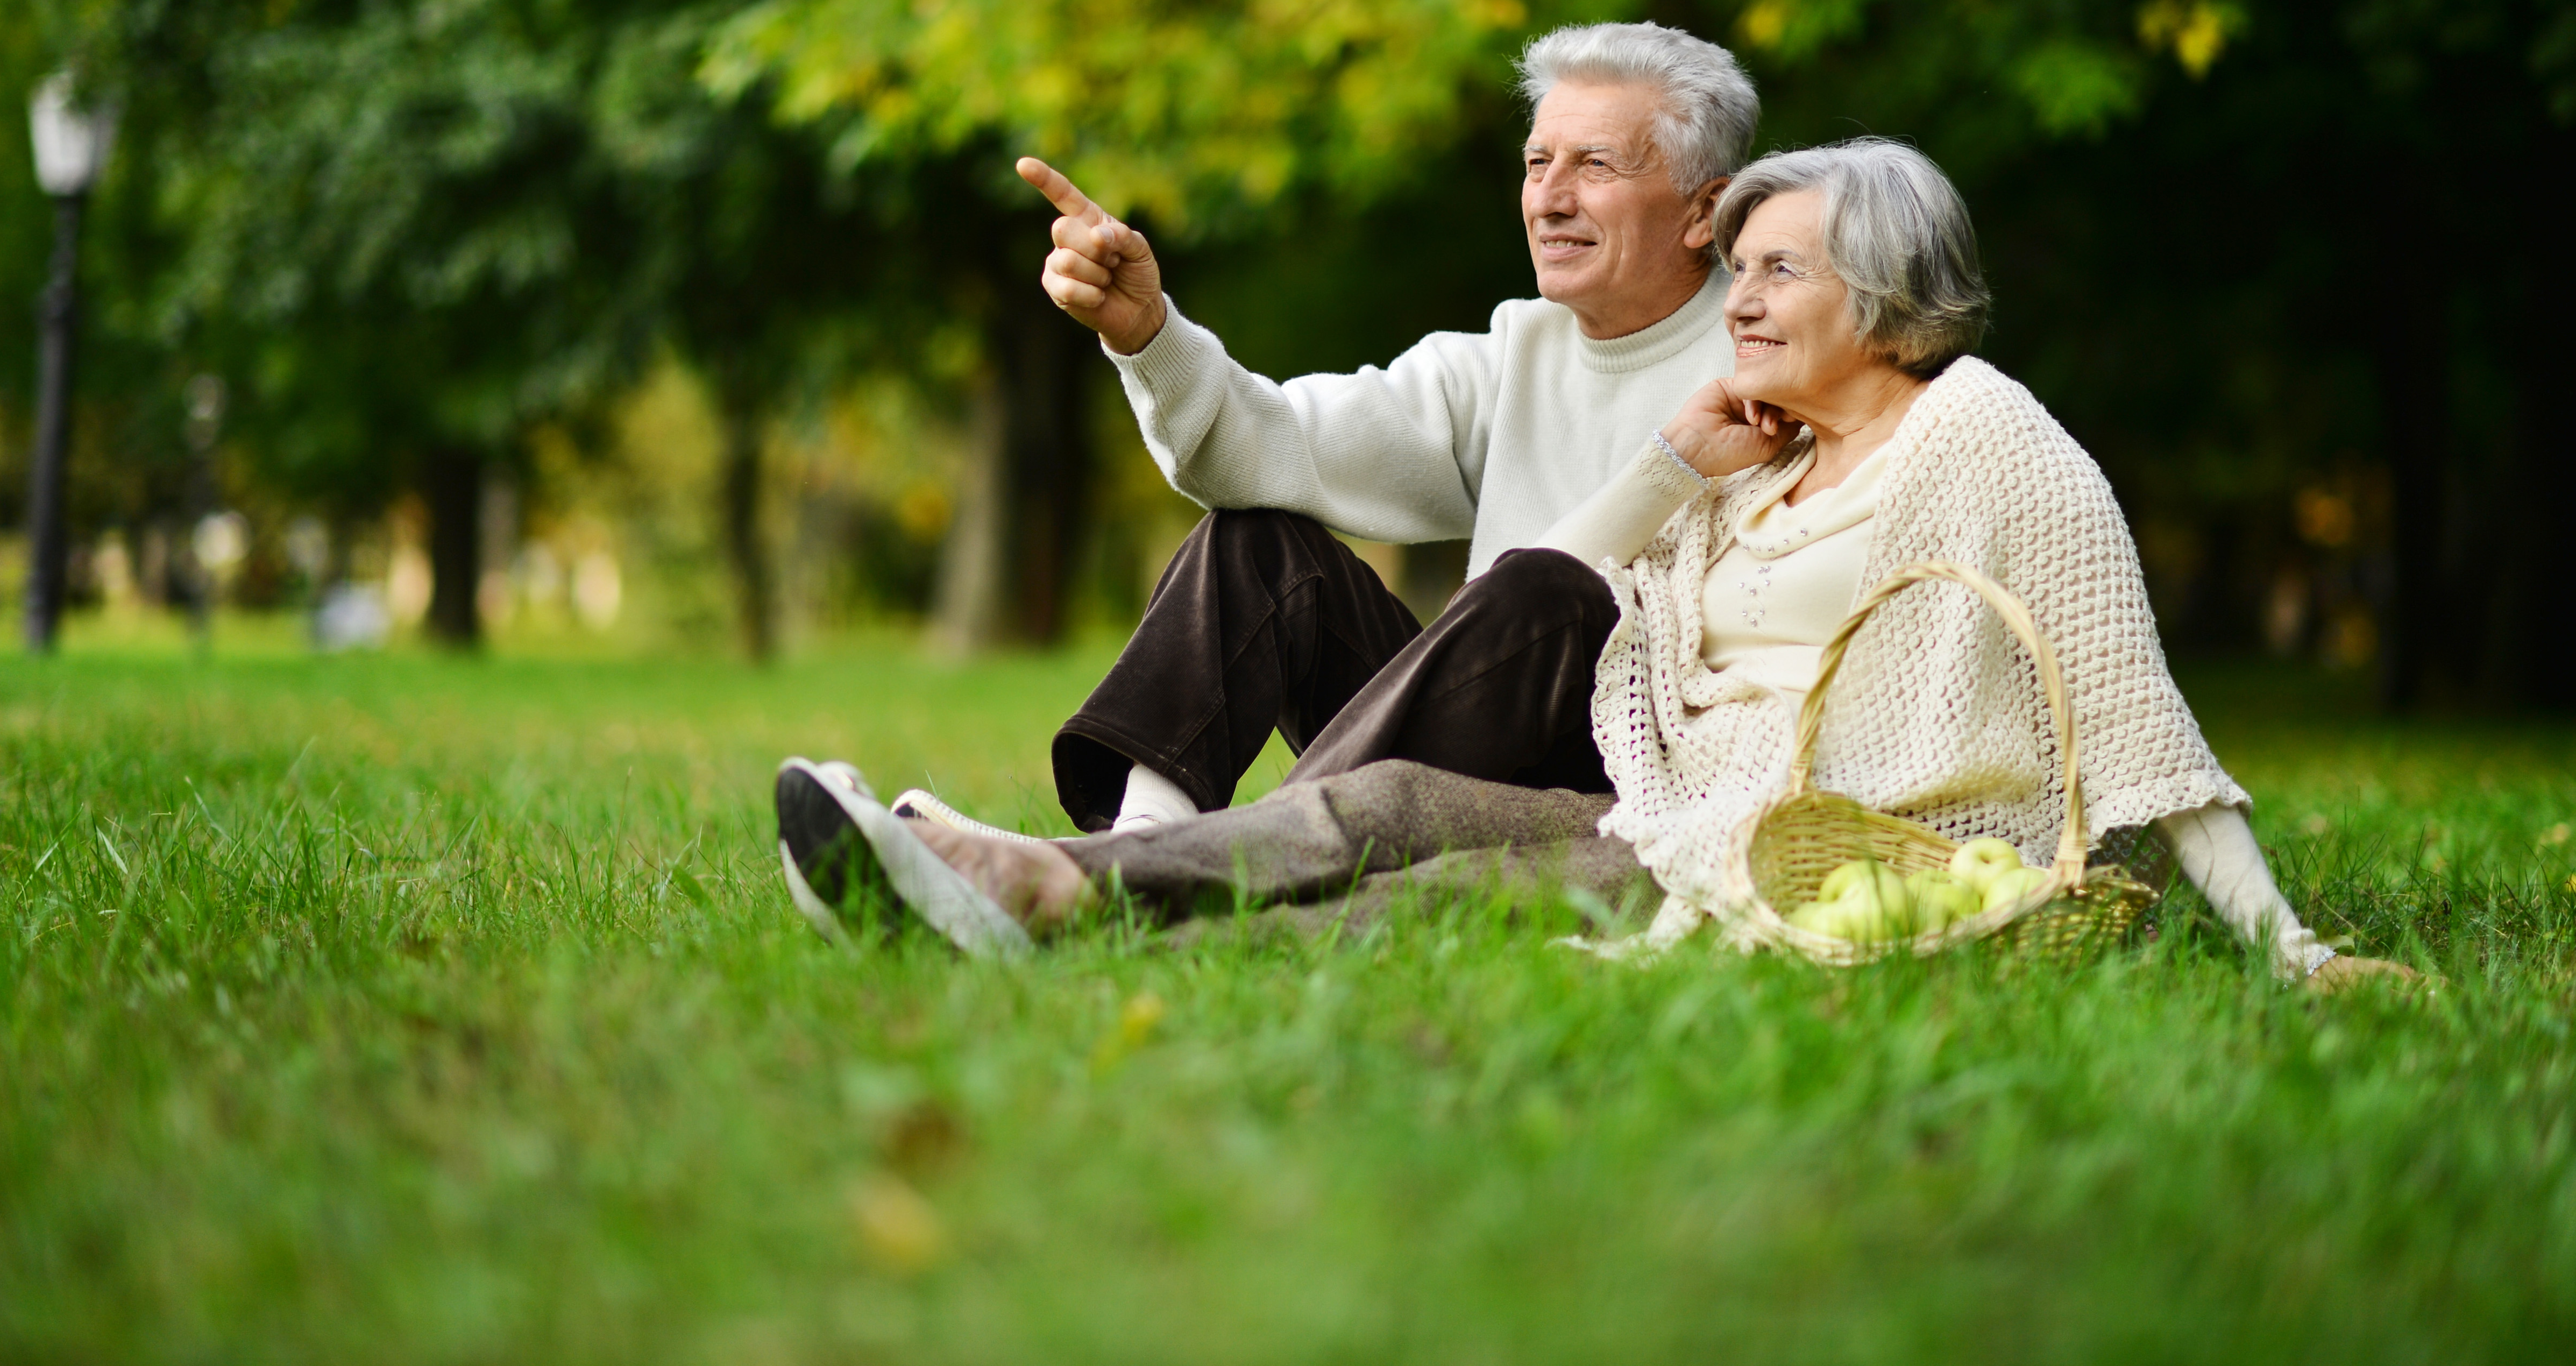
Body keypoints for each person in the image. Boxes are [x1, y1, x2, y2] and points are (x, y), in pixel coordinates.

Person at [775, 138, 2415, 990]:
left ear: (1886, 296)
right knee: (1368, 780)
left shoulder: (1979, 434)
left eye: (1779, 271)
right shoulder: (1704, 431)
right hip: (1646, 786)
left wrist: (2285, 944)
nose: (1747, 300)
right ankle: (1063, 872)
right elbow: (1342, 484)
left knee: (1451, 870)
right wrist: (1156, 338)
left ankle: (1050, 901)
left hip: (1752, 830)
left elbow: (2134, 710)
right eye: (1743, 271)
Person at [932, 20, 1760, 838]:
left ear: (1704, 212)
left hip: (1640, 777)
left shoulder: (1772, 362)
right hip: (1474, 744)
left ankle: (1206, 862)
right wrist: (1148, 335)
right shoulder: (1513, 351)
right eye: (1538, 163)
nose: (1550, 198)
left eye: (1596, 166)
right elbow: (1264, 447)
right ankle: (1145, 837)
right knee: (1254, 541)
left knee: (1544, 590)